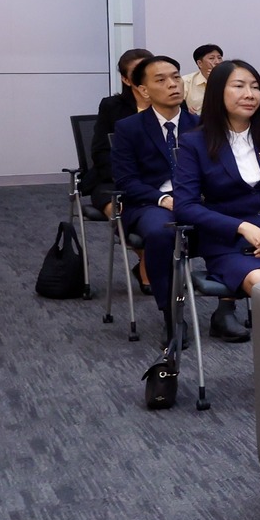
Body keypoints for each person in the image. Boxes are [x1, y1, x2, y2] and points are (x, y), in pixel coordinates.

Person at [173, 59, 260, 342]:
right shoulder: (195, 142)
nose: (250, 94)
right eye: (239, 86)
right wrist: (243, 228)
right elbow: (185, 206)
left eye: (255, 87)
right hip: (232, 246)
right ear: (217, 92)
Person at [109, 55, 197, 326]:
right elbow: (126, 181)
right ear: (143, 90)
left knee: (239, 221)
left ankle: (226, 308)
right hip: (150, 203)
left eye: (176, 77)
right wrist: (163, 199)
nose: (173, 84)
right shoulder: (129, 128)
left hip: (197, 200)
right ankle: (172, 314)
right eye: (161, 80)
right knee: (162, 233)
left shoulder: (201, 125)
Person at [90, 47, 153, 211]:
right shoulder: (112, 106)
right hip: (117, 177)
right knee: (118, 205)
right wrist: (126, 176)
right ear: (126, 80)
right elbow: (101, 151)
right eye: (137, 73)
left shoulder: (174, 103)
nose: (144, 77)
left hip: (163, 176)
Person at [181, 43, 222, 116]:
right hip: (195, 121)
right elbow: (174, 105)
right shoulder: (186, 81)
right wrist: (185, 112)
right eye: (211, 58)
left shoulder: (229, 80)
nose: (217, 62)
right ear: (200, 63)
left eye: (219, 58)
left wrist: (216, 81)